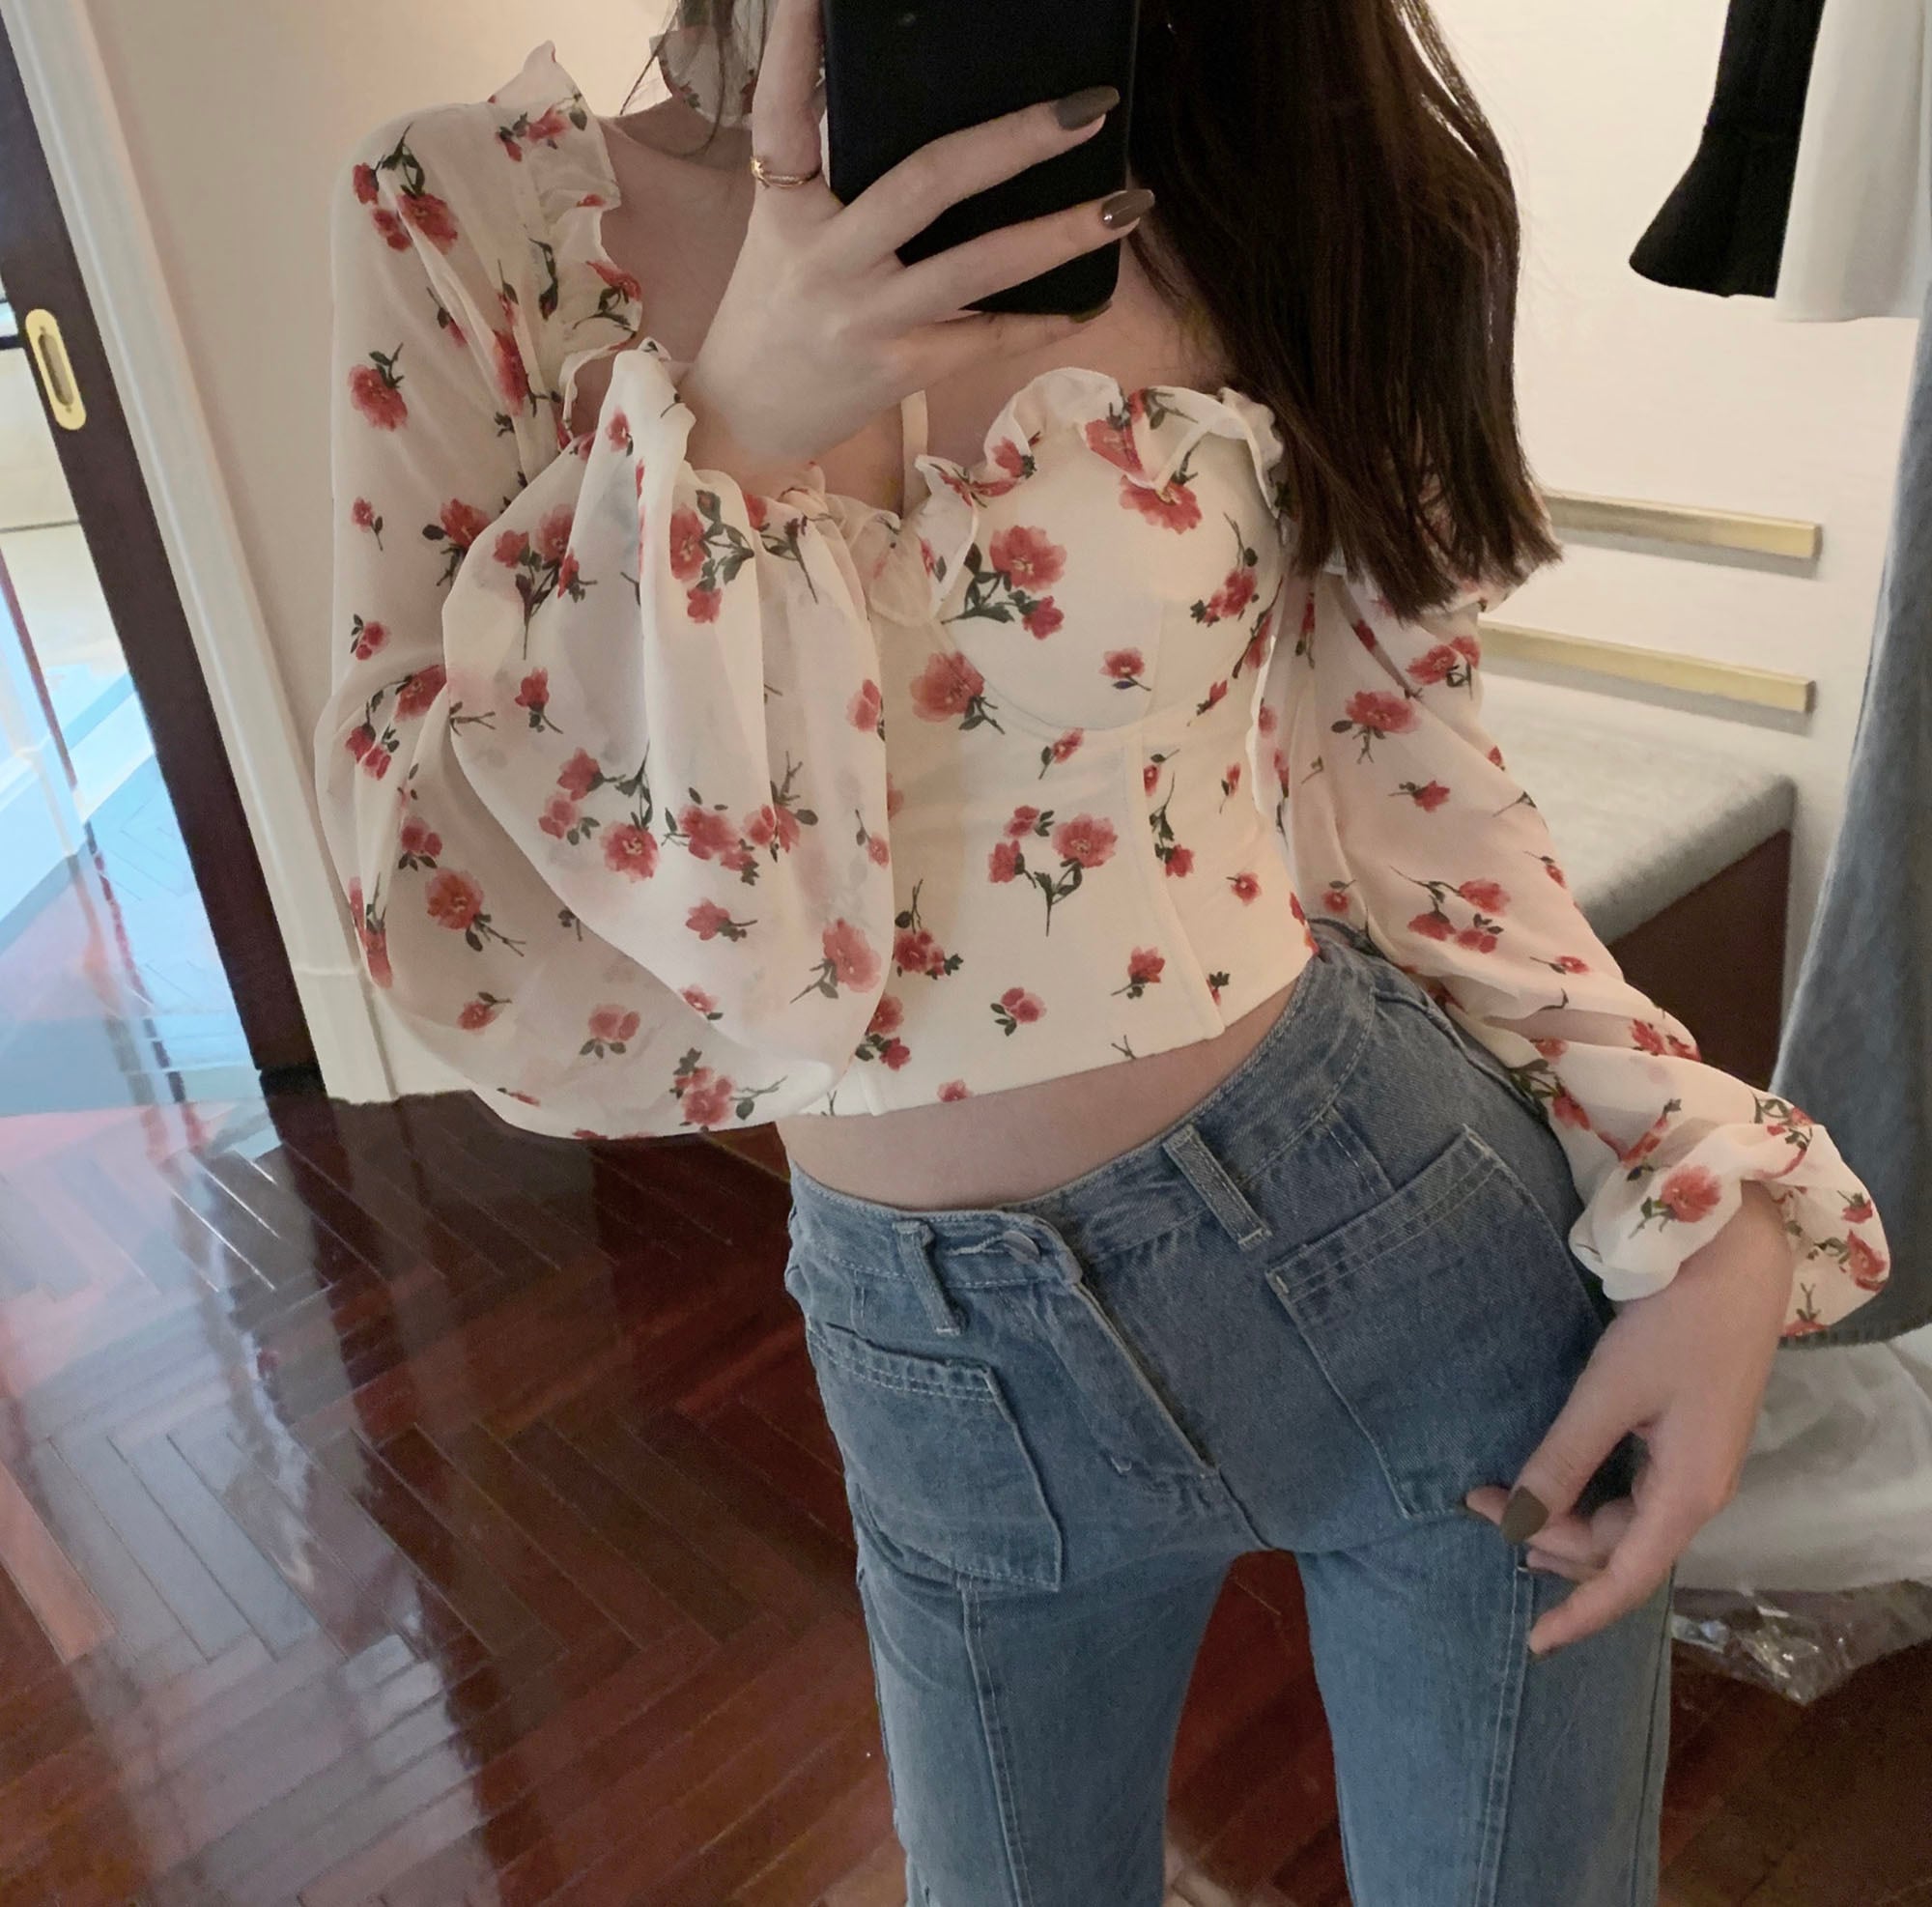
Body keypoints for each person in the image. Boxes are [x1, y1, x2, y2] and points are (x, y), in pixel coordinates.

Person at [313, 2, 1891, 1899]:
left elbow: (1422, 798)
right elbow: (451, 899)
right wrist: (729, 425)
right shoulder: (472, 218)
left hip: (1403, 1262)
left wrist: (1714, 1205)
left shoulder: (1282, 183)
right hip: (927, 1360)